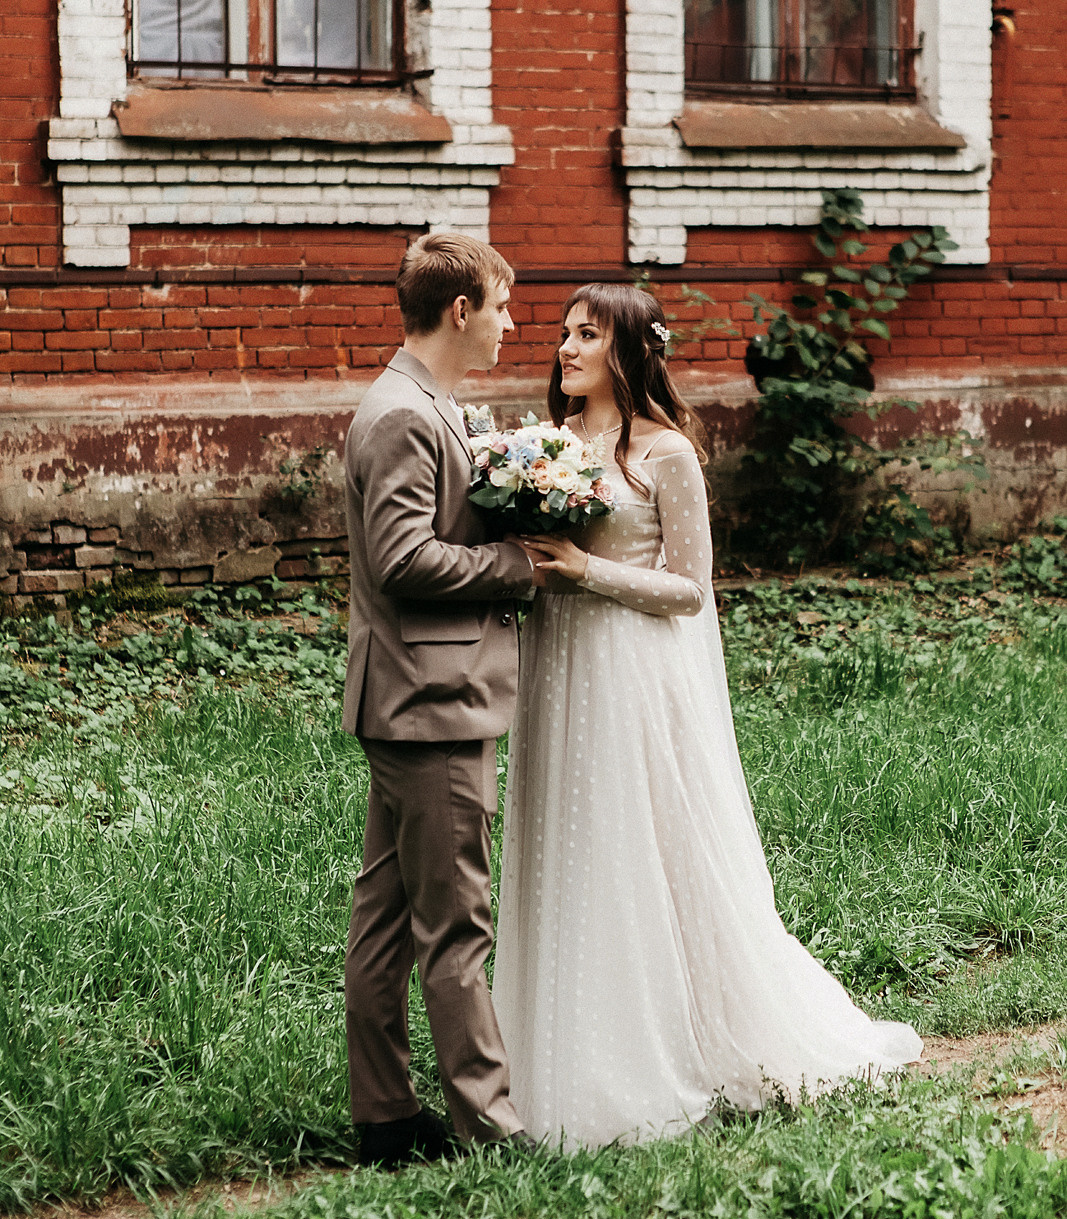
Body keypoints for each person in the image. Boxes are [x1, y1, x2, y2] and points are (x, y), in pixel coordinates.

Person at [492, 282, 922, 1150]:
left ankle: (673, 1042)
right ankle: (556, 1041)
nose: (565, 349)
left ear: (628, 352)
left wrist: (587, 571)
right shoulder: (544, 447)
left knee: (634, 844)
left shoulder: (667, 455)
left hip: (629, 674)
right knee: (564, 843)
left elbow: (690, 589)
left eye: (586, 335)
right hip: (555, 667)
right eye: (563, 334)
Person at [342, 233, 538, 1168]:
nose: (510, 324)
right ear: (460, 310)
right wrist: (516, 565)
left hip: (417, 693)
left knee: (386, 915)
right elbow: (402, 558)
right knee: (456, 920)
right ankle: (489, 1130)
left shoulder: (429, 404)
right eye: (501, 306)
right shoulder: (401, 417)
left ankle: (385, 1115)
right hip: (432, 697)